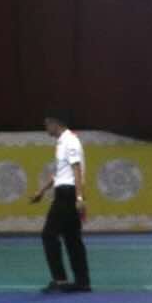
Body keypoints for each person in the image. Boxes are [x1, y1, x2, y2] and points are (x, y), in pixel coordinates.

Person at [30, 113, 91, 293]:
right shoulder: (63, 143)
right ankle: (83, 281)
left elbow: (76, 169)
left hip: (68, 194)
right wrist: (42, 190)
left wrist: (79, 198)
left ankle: (60, 279)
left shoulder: (70, 142)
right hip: (65, 191)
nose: (45, 128)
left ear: (55, 123)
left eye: (46, 124)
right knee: (72, 239)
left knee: (49, 234)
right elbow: (60, 172)